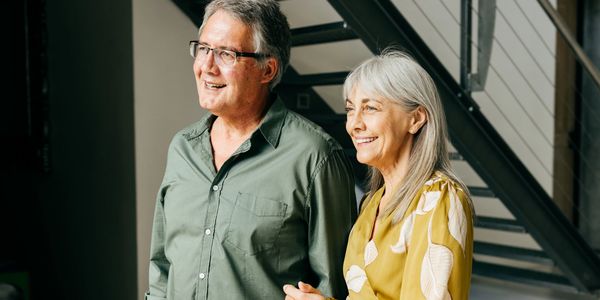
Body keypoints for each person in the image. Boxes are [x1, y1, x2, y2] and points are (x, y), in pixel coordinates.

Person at [145, 0, 357, 299]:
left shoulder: (315, 158)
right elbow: (162, 269)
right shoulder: (183, 148)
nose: (206, 66)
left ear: (267, 69)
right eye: (203, 48)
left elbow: (335, 286)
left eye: (225, 54)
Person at [283, 49, 474, 300]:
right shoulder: (372, 202)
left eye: (371, 108)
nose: (354, 124)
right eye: (351, 110)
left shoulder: (438, 199)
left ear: (415, 119)